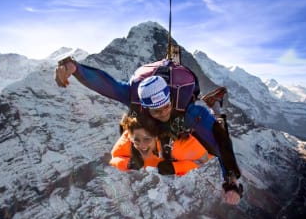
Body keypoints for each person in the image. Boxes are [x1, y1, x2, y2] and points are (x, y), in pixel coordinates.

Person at [55, 57, 243, 205]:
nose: (162, 113)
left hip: (188, 119)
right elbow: (106, 86)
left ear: (170, 100)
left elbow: (221, 144)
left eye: (165, 107)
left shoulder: (189, 111)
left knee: (210, 139)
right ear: (145, 107)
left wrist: (231, 181)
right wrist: (74, 67)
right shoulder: (133, 97)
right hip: (154, 125)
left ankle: (215, 106)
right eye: (157, 110)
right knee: (130, 129)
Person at [111, 113, 212, 176]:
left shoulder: (179, 147)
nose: (142, 146)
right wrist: (129, 164)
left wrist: (175, 168)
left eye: (147, 139)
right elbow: (114, 157)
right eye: (136, 141)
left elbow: (203, 159)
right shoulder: (128, 141)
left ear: (156, 136)